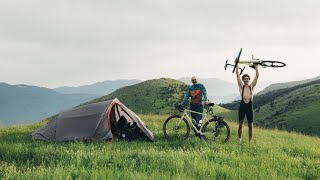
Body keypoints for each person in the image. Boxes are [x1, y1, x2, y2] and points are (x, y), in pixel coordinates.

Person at [236, 64, 259, 144]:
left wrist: (256, 67)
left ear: (249, 80)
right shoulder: (241, 87)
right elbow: (237, 76)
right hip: (242, 107)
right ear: (243, 80)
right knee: (240, 125)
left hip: (249, 107)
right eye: (244, 79)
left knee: (250, 126)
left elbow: (257, 76)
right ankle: (239, 140)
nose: (246, 80)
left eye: (247, 79)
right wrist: (236, 65)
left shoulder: (251, 86)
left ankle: (250, 141)